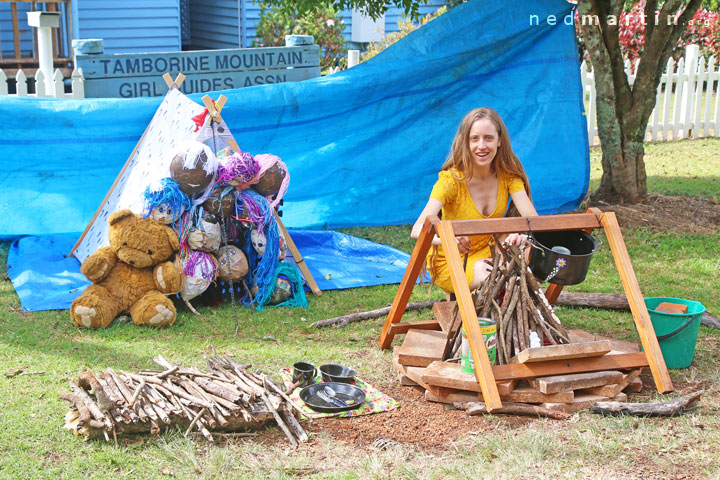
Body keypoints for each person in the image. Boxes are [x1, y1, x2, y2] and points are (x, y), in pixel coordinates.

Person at [411, 107, 538, 295]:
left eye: (488, 138)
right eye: (474, 138)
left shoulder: (508, 178)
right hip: (452, 260)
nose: (482, 145)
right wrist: (450, 239)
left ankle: (498, 303)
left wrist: (522, 234)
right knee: (495, 273)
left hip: (488, 252)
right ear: (465, 142)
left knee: (527, 249)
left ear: (499, 141)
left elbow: (534, 222)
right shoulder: (451, 181)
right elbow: (417, 229)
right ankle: (474, 300)